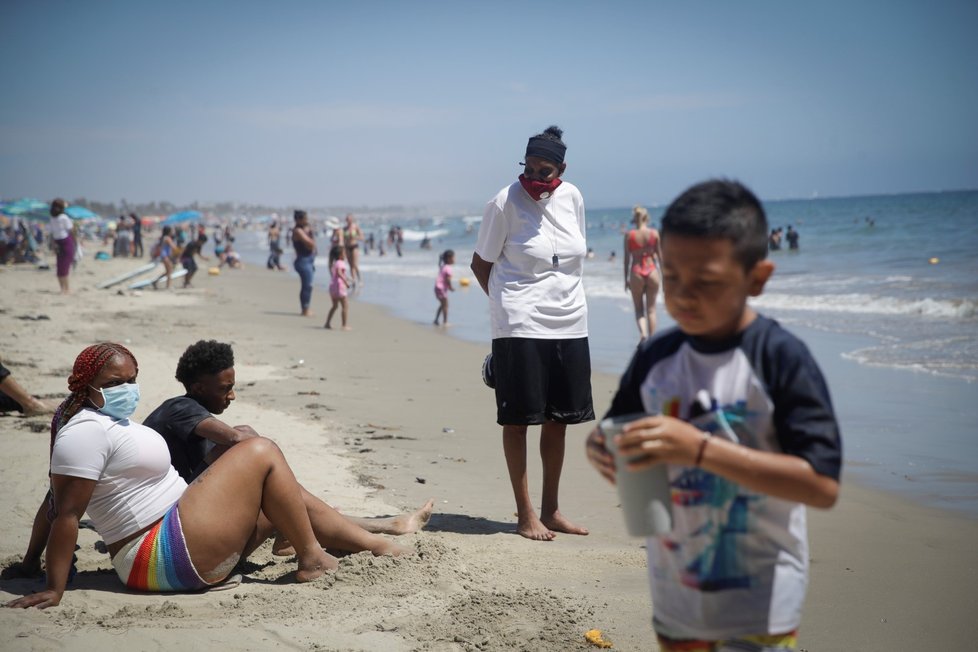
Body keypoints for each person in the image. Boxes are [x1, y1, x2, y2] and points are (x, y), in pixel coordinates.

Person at [585, 179, 841, 651]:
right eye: (674, 277)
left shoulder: (779, 357)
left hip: (760, 599)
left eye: (706, 282)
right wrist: (602, 449)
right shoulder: (657, 356)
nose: (682, 296)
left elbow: (821, 486)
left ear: (756, 279)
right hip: (675, 593)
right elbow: (615, 428)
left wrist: (700, 450)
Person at [3, 343, 411, 608]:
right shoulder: (84, 431)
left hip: (180, 540)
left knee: (279, 492)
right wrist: (54, 588)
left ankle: (373, 543)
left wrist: (26, 563)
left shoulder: (108, 423)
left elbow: (50, 502)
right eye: (113, 383)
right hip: (156, 556)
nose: (126, 389)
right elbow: (65, 512)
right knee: (261, 449)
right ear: (85, 384)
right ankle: (313, 558)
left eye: (131, 381)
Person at [143, 340, 433, 544]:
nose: (231, 396)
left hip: (187, 509)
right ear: (197, 388)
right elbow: (236, 439)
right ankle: (384, 528)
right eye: (225, 389)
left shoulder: (189, 416)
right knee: (255, 451)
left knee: (286, 497)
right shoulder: (180, 409)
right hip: (176, 521)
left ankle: (377, 527)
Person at [470, 125, 593, 541]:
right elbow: (480, 265)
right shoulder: (503, 203)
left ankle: (551, 510)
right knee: (520, 419)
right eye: (530, 168)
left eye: (546, 171)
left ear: (561, 168)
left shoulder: (573, 197)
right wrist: (506, 313)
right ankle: (525, 516)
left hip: (571, 322)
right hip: (520, 324)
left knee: (559, 419)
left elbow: (573, 258)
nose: (536, 178)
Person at [623, 205, 661, 341]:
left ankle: (643, 334)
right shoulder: (654, 234)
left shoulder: (629, 235)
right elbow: (660, 257)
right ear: (646, 218)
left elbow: (626, 260)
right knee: (651, 310)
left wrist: (626, 279)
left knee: (639, 309)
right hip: (652, 271)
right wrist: (665, 276)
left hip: (636, 271)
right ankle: (652, 340)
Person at [292, 210, 317, 317]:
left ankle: (305, 308)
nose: (307, 221)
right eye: (305, 219)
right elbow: (310, 244)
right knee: (308, 285)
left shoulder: (304, 229)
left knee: (307, 285)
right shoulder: (298, 230)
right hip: (303, 260)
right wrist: (309, 233)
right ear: (299, 220)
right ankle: (305, 309)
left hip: (309, 259)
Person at [48, 199, 75, 295]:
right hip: (65, 242)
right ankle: (66, 289)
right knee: (64, 266)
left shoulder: (52, 218)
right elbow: (71, 231)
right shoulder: (63, 217)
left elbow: (51, 234)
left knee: (60, 266)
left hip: (58, 242)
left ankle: (63, 289)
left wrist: (52, 245)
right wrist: (76, 243)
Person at [325, 245, 351, 330]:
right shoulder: (341, 262)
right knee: (345, 306)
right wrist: (346, 282)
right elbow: (339, 273)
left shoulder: (335, 263)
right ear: (340, 255)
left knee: (334, 306)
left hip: (333, 287)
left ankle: (327, 323)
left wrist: (347, 278)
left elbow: (338, 274)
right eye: (344, 253)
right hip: (339, 287)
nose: (346, 254)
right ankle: (344, 325)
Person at [150, 226, 177, 290]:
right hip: (165, 256)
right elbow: (174, 247)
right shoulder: (167, 238)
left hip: (163, 256)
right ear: (169, 231)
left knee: (168, 271)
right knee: (169, 271)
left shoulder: (163, 237)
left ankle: (155, 282)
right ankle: (168, 286)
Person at [433, 249, 455, 326]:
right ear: (449, 258)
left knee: (442, 304)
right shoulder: (448, 268)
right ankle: (445, 322)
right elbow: (448, 279)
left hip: (437, 287)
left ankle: (436, 320)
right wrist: (451, 287)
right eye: (453, 258)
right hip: (441, 288)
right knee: (445, 305)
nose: (454, 259)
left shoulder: (443, 266)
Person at [342, 214, 363, 287]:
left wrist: (355, 236)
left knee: (355, 264)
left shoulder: (355, 227)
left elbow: (362, 237)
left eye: (349, 219)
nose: (348, 221)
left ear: (352, 219)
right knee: (350, 265)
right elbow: (343, 239)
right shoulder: (344, 228)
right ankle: (353, 280)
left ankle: (360, 279)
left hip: (354, 246)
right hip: (347, 247)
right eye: (347, 219)